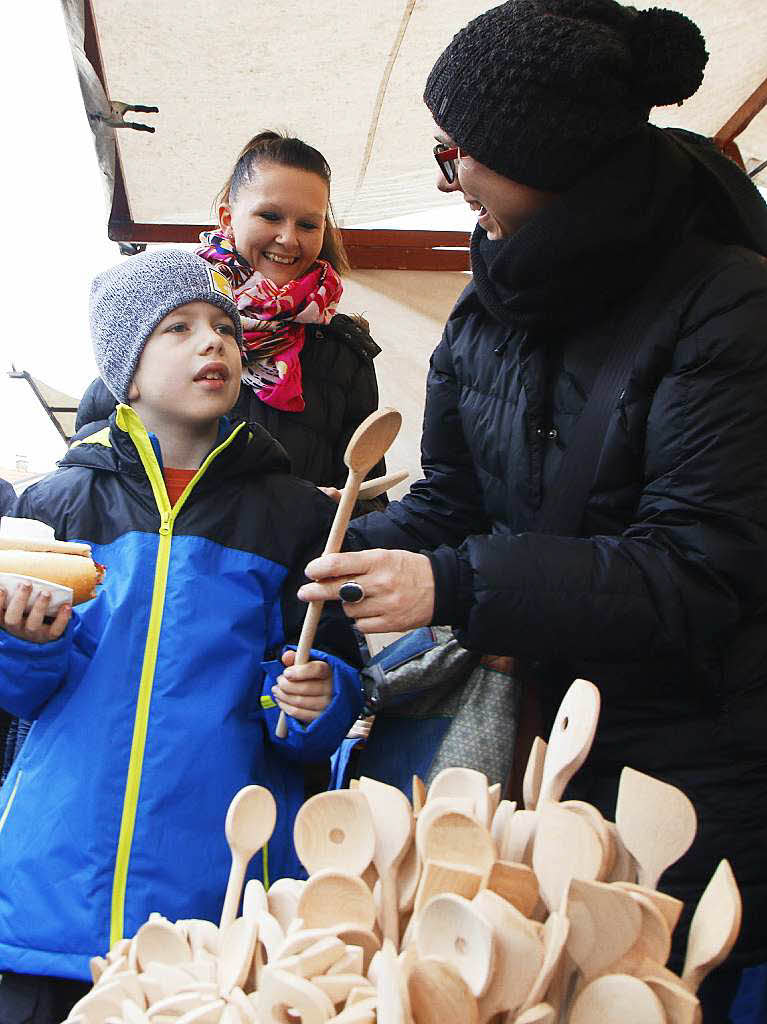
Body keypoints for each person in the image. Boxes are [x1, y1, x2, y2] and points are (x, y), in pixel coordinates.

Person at [297, 1, 767, 1018]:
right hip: (540, 760)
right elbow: (454, 501)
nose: (448, 175)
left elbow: (696, 567)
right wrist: (313, 549)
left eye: (456, 151)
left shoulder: (727, 303)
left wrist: (456, 584)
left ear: (550, 163)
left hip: (693, 779)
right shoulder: (486, 308)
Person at [0, 250, 362, 1021]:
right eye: (179, 328)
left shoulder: (295, 513)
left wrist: (314, 696)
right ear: (128, 373)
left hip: (220, 905)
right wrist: (24, 645)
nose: (214, 343)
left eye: (225, 328)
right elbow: (25, 698)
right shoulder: (56, 506)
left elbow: (314, 702)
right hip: (46, 898)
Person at [75, 131, 387, 510]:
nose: (288, 238)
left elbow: (367, 493)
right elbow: (95, 451)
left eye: (308, 224)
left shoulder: (344, 354)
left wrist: (324, 513)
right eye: (270, 216)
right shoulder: (155, 315)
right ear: (228, 217)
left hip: (291, 565)